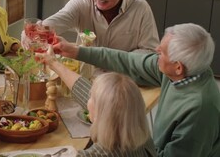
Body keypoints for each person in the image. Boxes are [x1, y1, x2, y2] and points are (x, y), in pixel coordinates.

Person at [50, 23, 220, 157]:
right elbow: (126, 61)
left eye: (162, 52)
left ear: (178, 67)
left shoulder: (201, 110)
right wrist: (75, 52)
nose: (156, 50)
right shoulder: (189, 70)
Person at [40, 49, 156, 157]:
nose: (88, 100)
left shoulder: (99, 154)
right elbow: (85, 90)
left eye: (92, 97)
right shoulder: (137, 132)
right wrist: (53, 63)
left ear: (103, 114)